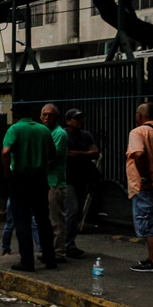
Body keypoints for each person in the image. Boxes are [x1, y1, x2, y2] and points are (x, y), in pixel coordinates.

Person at [1, 101, 56, 271]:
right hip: (39, 179)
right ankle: (49, 258)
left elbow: (5, 152)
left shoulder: (15, 129)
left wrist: (8, 174)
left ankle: (27, 261)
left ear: (15, 115)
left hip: (20, 179)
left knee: (22, 221)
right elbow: (53, 155)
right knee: (43, 219)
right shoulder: (43, 130)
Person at [64, 109, 99, 259]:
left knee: (77, 213)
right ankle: (66, 244)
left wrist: (78, 154)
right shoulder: (64, 135)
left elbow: (96, 152)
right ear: (68, 121)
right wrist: (85, 154)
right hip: (67, 179)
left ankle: (69, 243)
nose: (79, 121)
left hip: (82, 178)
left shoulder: (86, 135)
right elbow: (65, 154)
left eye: (80, 118)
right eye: (76, 119)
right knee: (72, 211)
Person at [125, 102, 153, 272]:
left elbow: (139, 154)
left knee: (149, 224)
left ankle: (152, 260)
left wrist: (144, 178)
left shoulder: (138, 132)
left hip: (145, 186)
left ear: (139, 116)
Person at [41, 104, 69, 262]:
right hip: (46, 181)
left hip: (55, 182)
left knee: (56, 221)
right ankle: (49, 250)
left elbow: (51, 159)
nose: (47, 118)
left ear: (56, 117)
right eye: (44, 115)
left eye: (50, 115)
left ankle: (58, 252)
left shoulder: (59, 134)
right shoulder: (44, 131)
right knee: (47, 220)